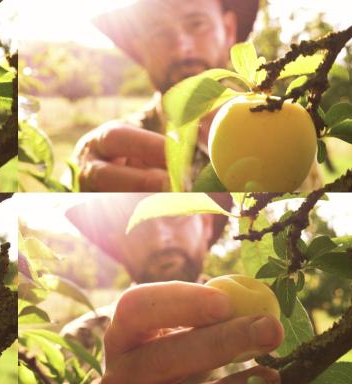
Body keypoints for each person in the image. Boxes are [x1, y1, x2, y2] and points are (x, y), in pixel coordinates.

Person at [73, 0, 321, 192]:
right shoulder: (117, 152)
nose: (182, 47)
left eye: (197, 24)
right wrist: (81, 179)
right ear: (141, 48)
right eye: (159, 32)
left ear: (228, 29)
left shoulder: (285, 129)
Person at [62, 193, 283, 384]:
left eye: (175, 216)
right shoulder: (80, 340)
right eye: (138, 223)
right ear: (118, 245)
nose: (160, 239)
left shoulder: (266, 329)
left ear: (206, 225)